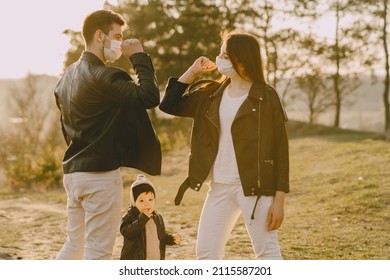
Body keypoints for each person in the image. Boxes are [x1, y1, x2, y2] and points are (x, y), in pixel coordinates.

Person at [159, 31, 289, 260]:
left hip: (255, 188)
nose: (219, 59)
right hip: (219, 185)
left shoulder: (267, 97)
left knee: (267, 253)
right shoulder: (211, 94)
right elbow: (169, 105)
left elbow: (281, 150)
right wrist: (192, 72)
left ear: (243, 59)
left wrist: (279, 201)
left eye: (226, 55)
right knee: (206, 254)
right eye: (220, 53)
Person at [54, 10, 161, 260]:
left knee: (74, 245)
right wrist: (139, 57)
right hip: (99, 177)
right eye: (118, 36)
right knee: (98, 253)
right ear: (100, 35)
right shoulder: (105, 75)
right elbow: (148, 96)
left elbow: (65, 127)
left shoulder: (66, 77)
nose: (121, 43)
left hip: (73, 174)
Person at [120, 174, 181, 260]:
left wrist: (171, 239)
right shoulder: (129, 216)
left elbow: (160, 237)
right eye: (141, 200)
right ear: (134, 202)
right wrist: (142, 219)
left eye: (150, 199)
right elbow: (128, 233)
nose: (147, 203)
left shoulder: (157, 218)